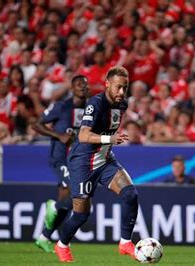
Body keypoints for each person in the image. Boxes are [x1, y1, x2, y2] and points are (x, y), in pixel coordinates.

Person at [55, 67, 137, 262]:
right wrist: (109, 138)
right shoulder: (95, 103)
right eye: (118, 87)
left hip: (105, 159)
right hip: (83, 163)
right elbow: (83, 135)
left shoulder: (122, 104)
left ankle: (125, 242)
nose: (121, 92)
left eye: (125, 88)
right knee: (81, 215)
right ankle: (62, 245)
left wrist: (109, 141)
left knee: (130, 194)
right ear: (107, 84)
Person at [32, 75, 89, 253]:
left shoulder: (91, 109)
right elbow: (37, 125)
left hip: (79, 160)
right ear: (72, 88)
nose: (82, 86)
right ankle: (53, 207)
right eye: (78, 84)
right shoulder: (61, 107)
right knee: (76, 193)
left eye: (85, 84)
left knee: (69, 203)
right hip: (61, 158)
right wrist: (58, 136)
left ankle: (44, 237)